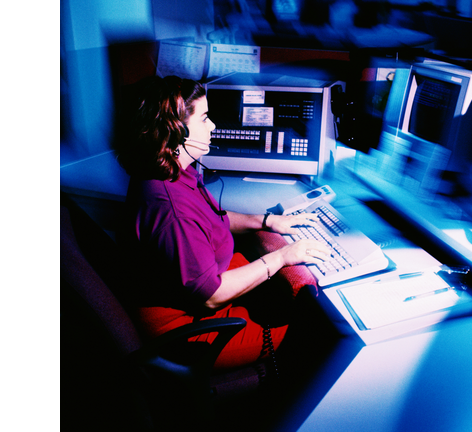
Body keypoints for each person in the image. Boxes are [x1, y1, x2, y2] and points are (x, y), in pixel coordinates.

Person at [114, 75, 331, 371]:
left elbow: (213, 218)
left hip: (193, 297)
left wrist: (267, 221)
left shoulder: (172, 172)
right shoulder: (170, 210)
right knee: (313, 327)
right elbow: (211, 297)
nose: (213, 126)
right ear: (175, 132)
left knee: (285, 290)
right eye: (204, 118)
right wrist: (281, 257)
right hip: (187, 331)